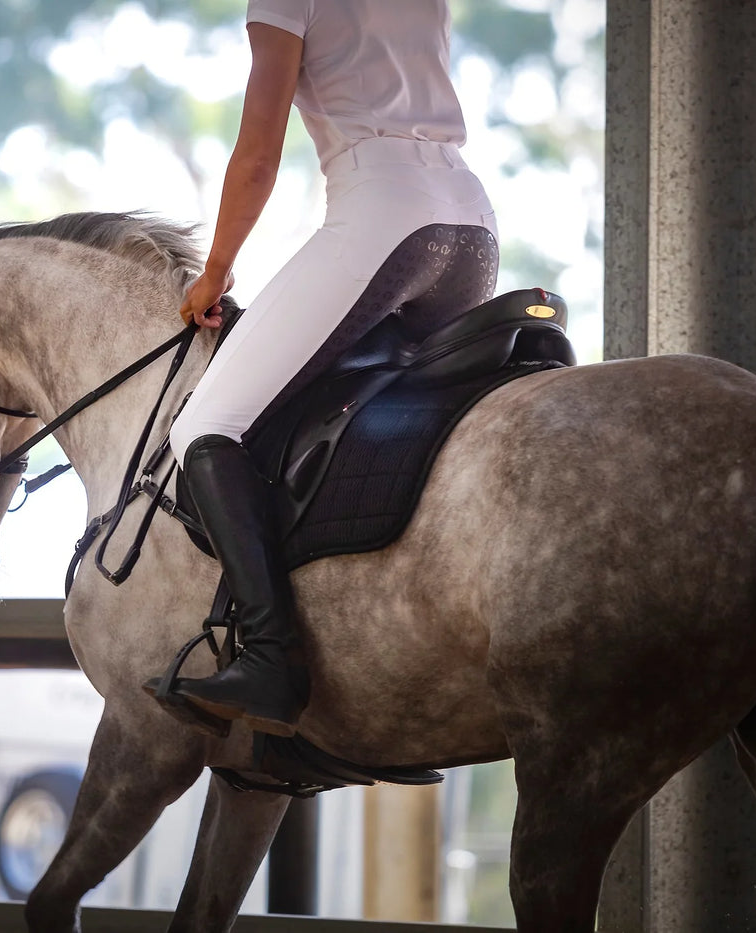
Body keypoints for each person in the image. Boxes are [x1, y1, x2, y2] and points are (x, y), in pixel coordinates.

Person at [151, 0, 499, 737]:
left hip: (386, 214)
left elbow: (257, 157)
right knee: (356, 405)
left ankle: (274, 659)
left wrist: (214, 271)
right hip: (471, 224)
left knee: (207, 427)